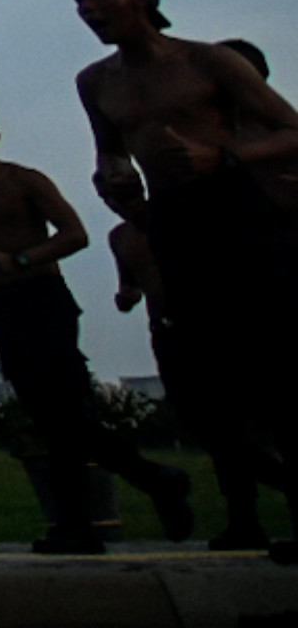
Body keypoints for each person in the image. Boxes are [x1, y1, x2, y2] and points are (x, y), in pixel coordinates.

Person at [70, 0, 298, 562]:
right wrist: (114, 179)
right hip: (173, 220)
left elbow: (292, 131)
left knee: (274, 369)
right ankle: (245, 513)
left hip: (238, 212)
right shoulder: (96, 81)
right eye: (79, 2)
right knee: (201, 386)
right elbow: (110, 150)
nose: (88, 10)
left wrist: (222, 159)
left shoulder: (208, 62)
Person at [0, 97, 193, 552]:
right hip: (2, 305)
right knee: (50, 417)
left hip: (44, 298)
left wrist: (21, 259)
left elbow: (75, 233)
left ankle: (84, 521)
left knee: (63, 416)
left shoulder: (24, 180)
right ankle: (152, 481)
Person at [110, 209, 281, 551]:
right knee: (209, 428)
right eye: (110, 193)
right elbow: (129, 284)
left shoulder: (178, 222)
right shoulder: (121, 237)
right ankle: (245, 518)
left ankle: (246, 517)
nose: (118, 198)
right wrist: (127, 296)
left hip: (208, 328)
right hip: (167, 333)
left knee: (227, 427)